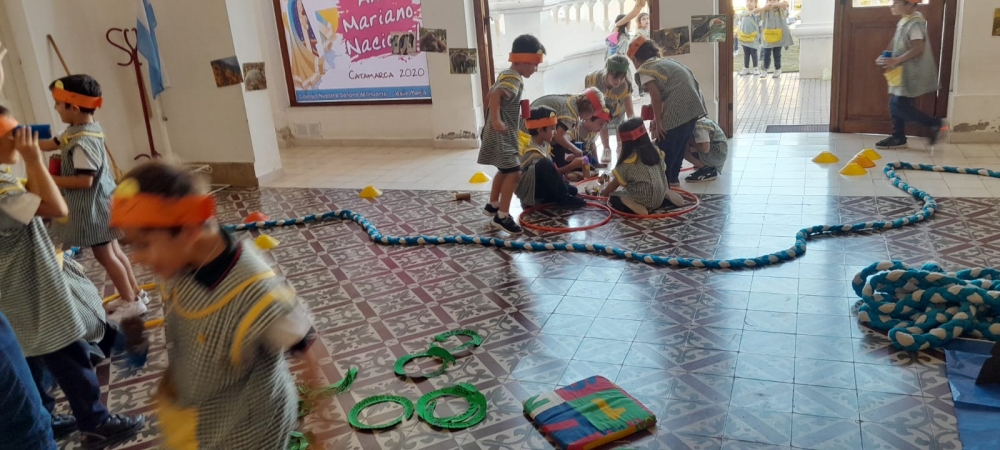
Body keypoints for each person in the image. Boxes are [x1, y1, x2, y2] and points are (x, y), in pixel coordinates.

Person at [111, 161, 322, 450]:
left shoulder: (255, 290)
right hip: (204, 423)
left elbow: (309, 350)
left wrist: (321, 429)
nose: (136, 258)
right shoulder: (182, 261)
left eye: (143, 245)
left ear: (187, 230)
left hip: (249, 436)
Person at [0, 111, 145, 450]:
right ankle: (95, 422)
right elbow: (57, 208)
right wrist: (34, 159)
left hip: (17, 292)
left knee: (31, 356)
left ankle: (45, 415)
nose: (21, 139)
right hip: (30, 290)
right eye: (12, 134)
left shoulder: (5, 178)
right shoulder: (3, 192)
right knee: (70, 352)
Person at [38, 75, 147, 322]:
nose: (56, 108)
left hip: (95, 209)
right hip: (104, 203)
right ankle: (135, 293)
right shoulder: (80, 130)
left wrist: (49, 180)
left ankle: (131, 302)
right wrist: (24, 143)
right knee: (114, 251)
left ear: (74, 108)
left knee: (105, 255)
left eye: (58, 104)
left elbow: (84, 181)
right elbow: (50, 144)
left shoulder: (82, 143)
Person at [478, 34, 546, 234]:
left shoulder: (507, 74)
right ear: (525, 60)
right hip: (501, 135)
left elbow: (494, 94)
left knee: (504, 169)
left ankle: (493, 205)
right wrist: (497, 121)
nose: (536, 69)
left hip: (498, 134)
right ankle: (502, 216)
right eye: (535, 65)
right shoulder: (513, 78)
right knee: (515, 172)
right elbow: (495, 95)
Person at [627, 36, 708, 188]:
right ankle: (673, 181)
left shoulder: (646, 69)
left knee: (666, 147)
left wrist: (659, 123)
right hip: (693, 107)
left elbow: (656, 96)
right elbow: (665, 93)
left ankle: (664, 185)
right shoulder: (666, 63)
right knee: (679, 147)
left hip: (678, 109)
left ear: (636, 59)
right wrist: (656, 118)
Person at [875, 0, 944, 149]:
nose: (891, 5)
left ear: (909, 5)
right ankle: (898, 137)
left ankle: (934, 124)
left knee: (898, 104)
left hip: (911, 73)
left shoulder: (915, 24)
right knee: (895, 103)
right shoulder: (905, 21)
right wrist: (885, 56)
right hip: (902, 72)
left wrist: (896, 60)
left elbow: (918, 48)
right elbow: (895, 41)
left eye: (895, 2)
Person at [601, 118, 684, 215]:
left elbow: (613, 185)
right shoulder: (656, 152)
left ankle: (635, 204)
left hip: (642, 199)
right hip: (659, 198)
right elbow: (663, 170)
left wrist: (604, 193)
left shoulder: (628, 161)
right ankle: (664, 193)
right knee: (652, 187)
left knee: (614, 197)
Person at [515, 106, 587, 208]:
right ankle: (564, 199)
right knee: (545, 163)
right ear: (541, 130)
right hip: (530, 192)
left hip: (540, 186)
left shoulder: (544, 144)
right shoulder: (532, 150)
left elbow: (553, 171)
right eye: (552, 128)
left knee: (573, 190)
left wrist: (566, 159)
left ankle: (555, 197)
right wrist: (572, 165)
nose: (555, 132)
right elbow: (551, 172)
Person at [529, 88, 612, 171]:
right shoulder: (571, 112)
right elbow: (558, 137)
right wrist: (576, 150)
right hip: (530, 133)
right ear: (589, 108)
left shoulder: (571, 100)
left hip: (532, 128)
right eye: (592, 113)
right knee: (559, 148)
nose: (589, 117)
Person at [585, 56, 635, 163]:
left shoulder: (625, 86)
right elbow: (586, 95)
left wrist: (634, 131)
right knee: (602, 124)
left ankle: (620, 147)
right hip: (601, 106)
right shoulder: (594, 79)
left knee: (619, 125)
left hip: (617, 107)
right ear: (607, 72)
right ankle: (606, 149)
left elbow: (631, 114)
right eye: (615, 78)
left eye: (622, 78)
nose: (618, 81)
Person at [755, 0, 792, 79]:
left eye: (774, 0)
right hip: (767, 37)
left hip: (778, 36)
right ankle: (764, 70)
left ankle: (777, 69)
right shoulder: (764, 10)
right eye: (770, 0)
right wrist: (764, 8)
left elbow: (785, 4)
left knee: (777, 54)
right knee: (766, 54)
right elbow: (754, 12)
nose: (772, 2)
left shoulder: (781, 10)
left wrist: (775, 4)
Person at [685, 117, 729, 182]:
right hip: (719, 152)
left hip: (717, 156)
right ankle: (703, 164)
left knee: (682, 151)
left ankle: (706, 170)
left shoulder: (700, 126)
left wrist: (690, 140)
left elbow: (705, 149)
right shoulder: (703, 120)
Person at [737, 0, 762, 76]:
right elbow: (740, 24)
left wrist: (761, 36)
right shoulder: (743, 13)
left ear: (755, 3)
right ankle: (746, 68)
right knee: (746, 53)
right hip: (744, 36)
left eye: (751, 1)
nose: (749, 3)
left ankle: (755, 68)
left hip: (753, 37)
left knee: (753, 52)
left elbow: (760, 24)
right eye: (747, 1)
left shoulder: (757, 13)